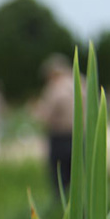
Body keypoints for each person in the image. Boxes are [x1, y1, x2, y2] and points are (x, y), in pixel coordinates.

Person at [33, 54, 83, 189]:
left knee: (61, 179)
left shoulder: (55, 88)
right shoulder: (82, 83)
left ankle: (63, 202)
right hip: (82, 136)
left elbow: (46, 116)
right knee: (79, 175)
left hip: (60, 137)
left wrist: (35, 111)